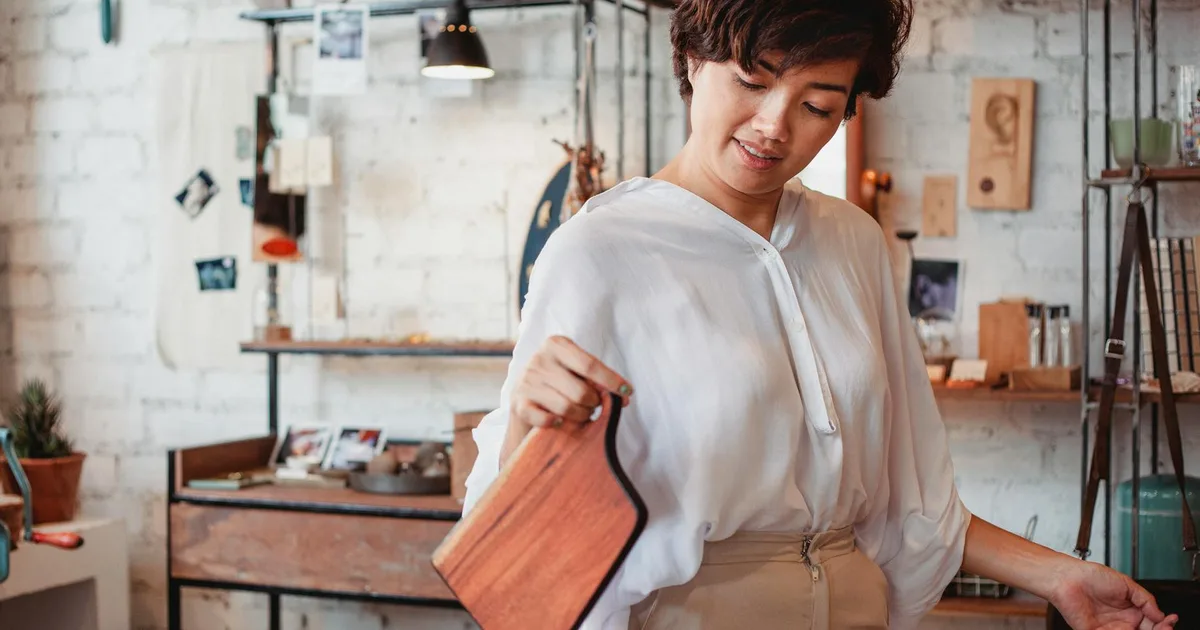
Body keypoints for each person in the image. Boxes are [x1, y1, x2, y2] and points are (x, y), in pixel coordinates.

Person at [461, 1, 1181, 629]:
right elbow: (505, 551)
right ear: (690, 57)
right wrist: (530, 422)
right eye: (752, 79)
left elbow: (912, 502)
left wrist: (1059, 577)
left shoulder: (853, 243)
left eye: (818, 105)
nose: (774, 126)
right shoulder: (598, 249)